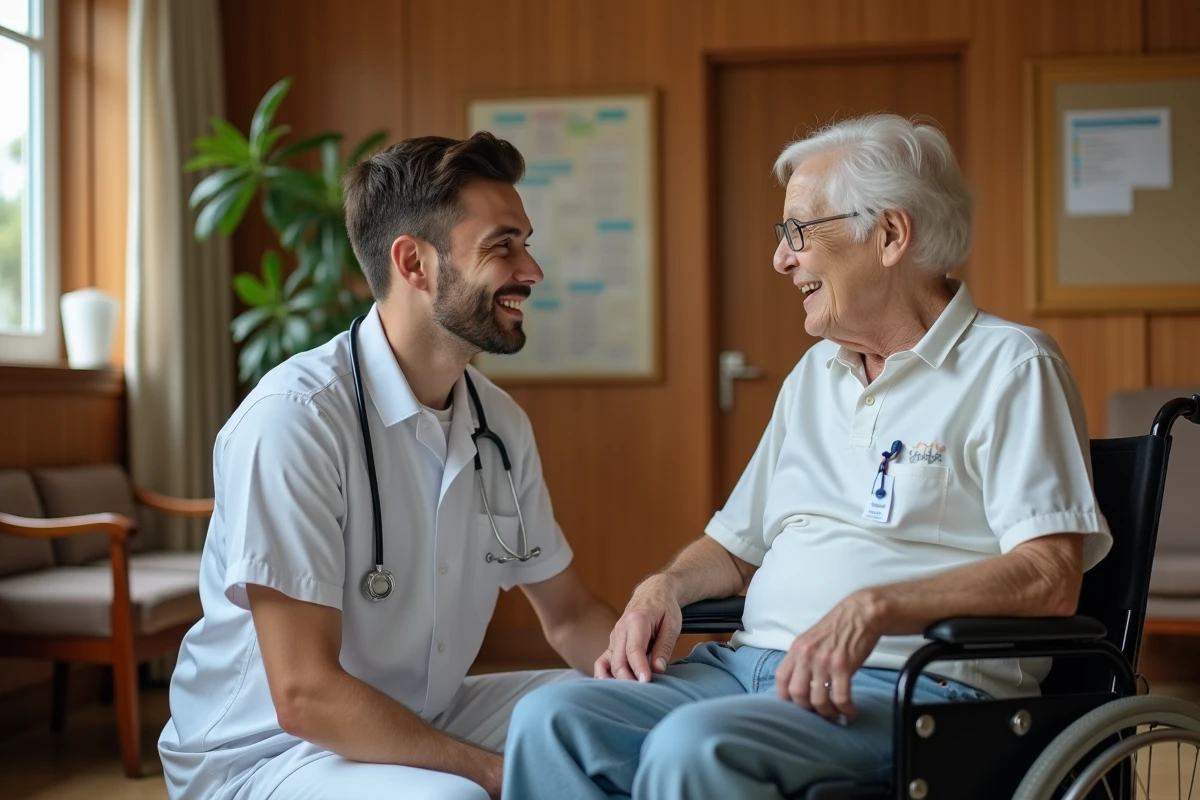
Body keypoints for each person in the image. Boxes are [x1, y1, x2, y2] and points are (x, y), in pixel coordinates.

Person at [501, 113, 1114, 799]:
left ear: (888, 234)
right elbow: (735, 549)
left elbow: (1050, 576)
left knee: (694, 747)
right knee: (550, 718)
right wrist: (662, 587)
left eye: (799, 231)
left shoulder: (1011, 366)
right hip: (742, 672)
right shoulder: (814, 375)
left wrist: (877, 607)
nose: (781, 258)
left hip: (911, 687)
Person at [157, 132, 617, 800]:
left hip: (422, 715)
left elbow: (571, 616)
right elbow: (304, 694)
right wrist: (491, 772)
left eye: (526, 242)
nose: (532, 270)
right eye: (502, 245)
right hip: (271, 752)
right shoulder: (296, 420)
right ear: (414, 263)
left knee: (613, 720)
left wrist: (664, 694)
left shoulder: (499, 424)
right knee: (456, 797)